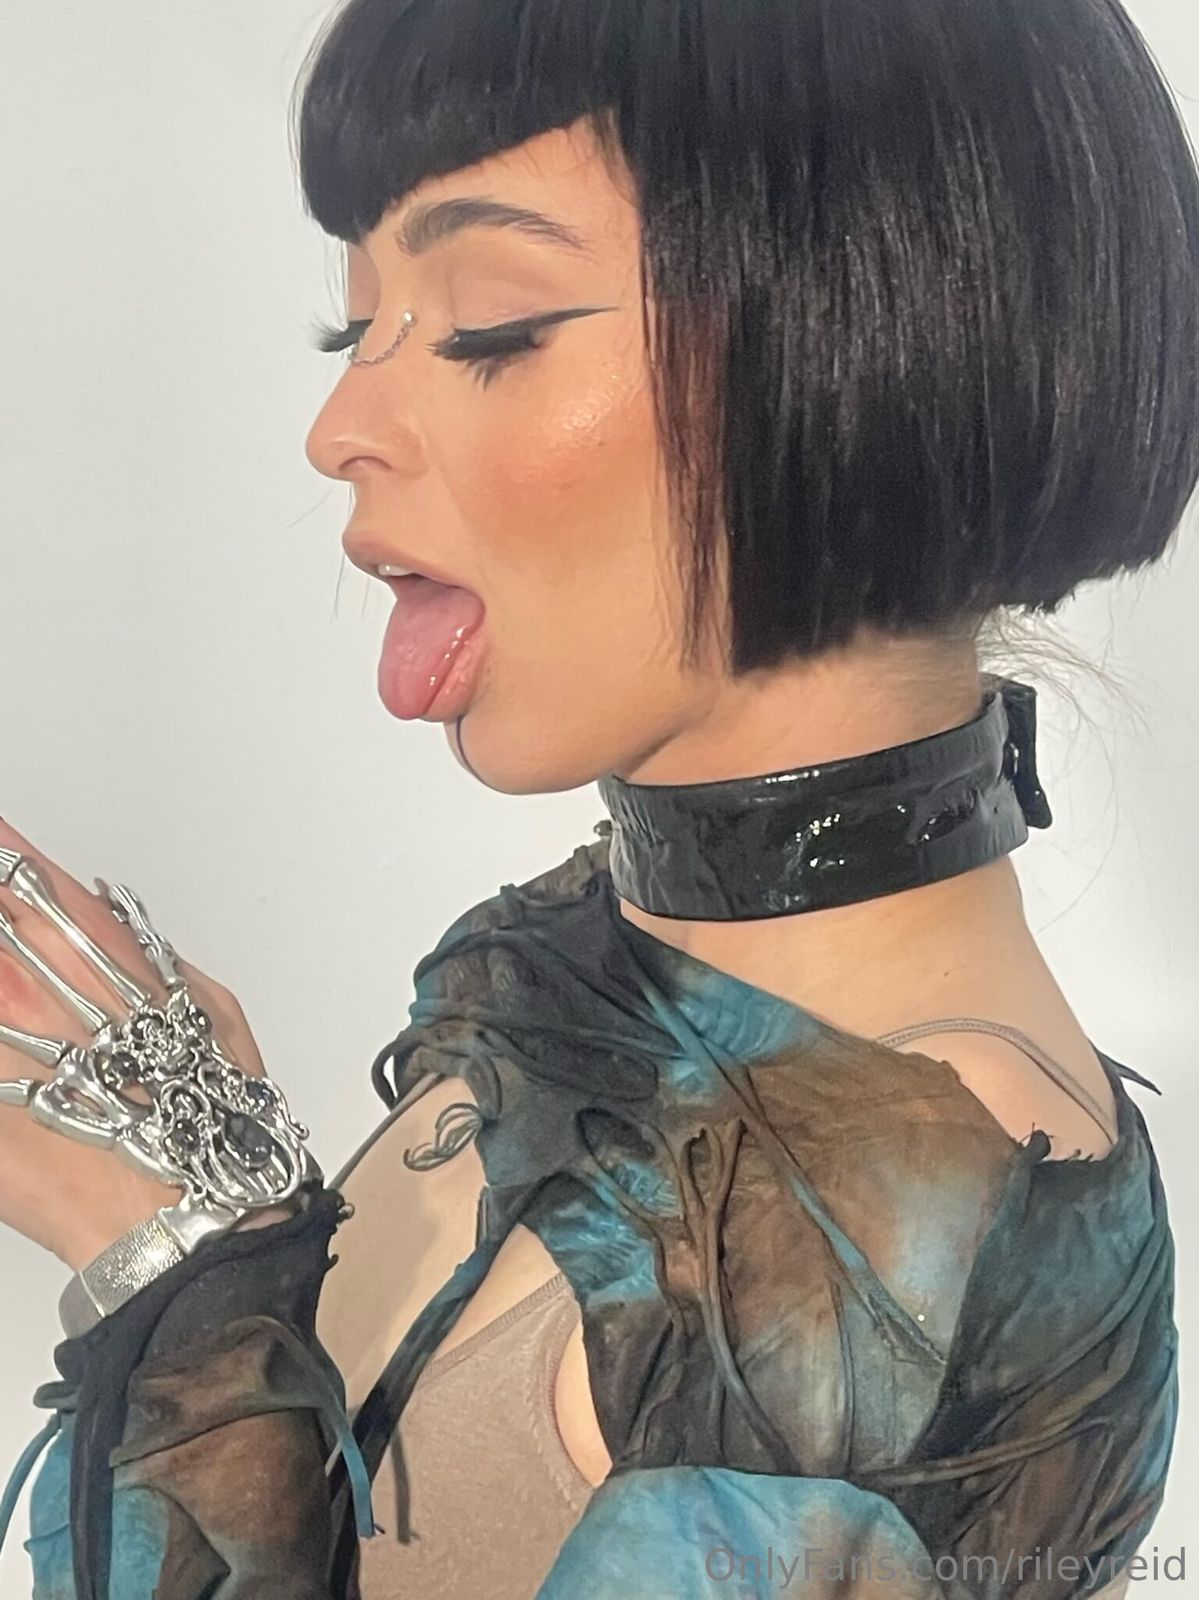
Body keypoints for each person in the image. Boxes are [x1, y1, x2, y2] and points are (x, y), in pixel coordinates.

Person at [0, 0, 1194, 1594]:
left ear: (871, 332)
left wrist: (172, 1256)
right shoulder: (595, 963)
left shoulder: (889, 1269)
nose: (340, 429)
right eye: (353, 332)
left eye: (490, 327)